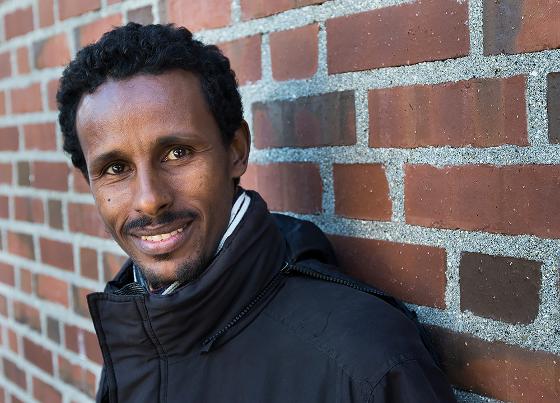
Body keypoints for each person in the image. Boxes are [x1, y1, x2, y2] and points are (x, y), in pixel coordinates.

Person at [57, 23, 457, 402]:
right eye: (115, 168)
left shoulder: (368, 362)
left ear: (236, 150)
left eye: (178, 153)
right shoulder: (135, 329)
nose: (149, 200)